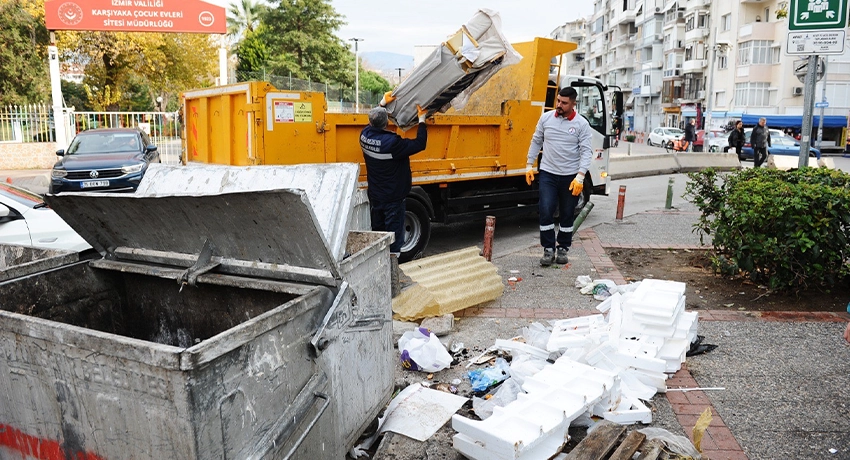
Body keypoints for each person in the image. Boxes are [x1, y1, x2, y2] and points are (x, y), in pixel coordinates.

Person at [525, 86, 593, 267]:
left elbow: (586, 151)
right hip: (548, 174)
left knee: (567, 213)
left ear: (573, 104)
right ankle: (548, 249)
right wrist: (529, 164)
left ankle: (563, 247)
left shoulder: (581, 124)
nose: (559, 105)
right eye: (558, 101)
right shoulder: (546, 119)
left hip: (570, 176)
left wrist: (580, 176)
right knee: (546, 210)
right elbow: (536, 140)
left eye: (564, 103)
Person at [360, 92, 429, 257]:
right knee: (394, 234)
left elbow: (371, 123)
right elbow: (420, 144)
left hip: (376, 195)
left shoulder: (364, 136)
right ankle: (392, 269)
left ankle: (378, 262)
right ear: (386, 124)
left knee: (378, 232)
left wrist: (382, 103)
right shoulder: (392, 143)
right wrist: (422, 119)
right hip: (392, 198)